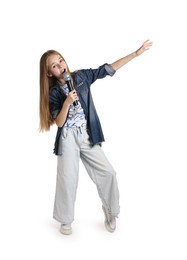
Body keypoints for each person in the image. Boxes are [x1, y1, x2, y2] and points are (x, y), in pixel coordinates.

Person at [39, 39, 153, 235]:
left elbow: (106, 69)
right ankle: (65, 220)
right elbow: (58, 123)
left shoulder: (81, 77)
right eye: (54, 66)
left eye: (61, 61)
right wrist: (67, 102)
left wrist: (135, 54)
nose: (60, 66)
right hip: (67, 137)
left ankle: (111, 211)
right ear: (49, 73)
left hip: (86, 134)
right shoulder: (53, 93)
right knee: (67, 179)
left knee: (108, 172)